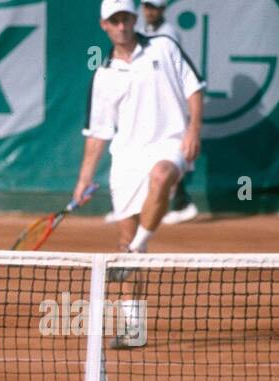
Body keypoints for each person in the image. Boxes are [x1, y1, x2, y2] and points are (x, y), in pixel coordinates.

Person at [74, 0, 204, 254]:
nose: (121, 26)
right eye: (115, 21)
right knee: (124, 240)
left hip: (169, 143)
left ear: (135, 20)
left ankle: (139, 244)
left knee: (162, 174)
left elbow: (195, 88)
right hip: (126, 160)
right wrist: (83, 181)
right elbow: (97, 135)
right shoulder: (103, 75)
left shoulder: (165, 46)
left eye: (126, 19)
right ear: (104, 25)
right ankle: (130, 291)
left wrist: (193, 130)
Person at [136, 0, 198, 224]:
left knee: (171, 152)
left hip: (171, 101)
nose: (149, 11)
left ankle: (182, 203)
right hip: (148, 102)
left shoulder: (169, 35)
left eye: (154, 7)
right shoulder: (139, 30)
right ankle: (137, 206)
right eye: (146, 6)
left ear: (162, 9)